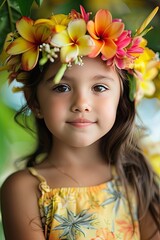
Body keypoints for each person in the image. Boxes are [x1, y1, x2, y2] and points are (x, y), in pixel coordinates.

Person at [0, 5, 159, 240]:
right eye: (62, 87)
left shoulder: (136, 177)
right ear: (34, 102)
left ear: (123, 99)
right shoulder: (23, 189)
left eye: (100, 87)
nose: (82, 103)